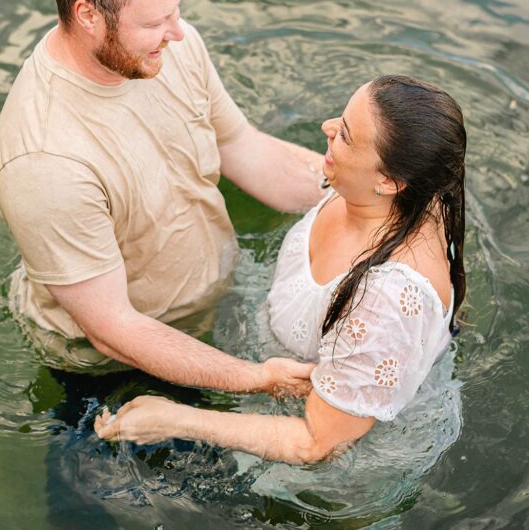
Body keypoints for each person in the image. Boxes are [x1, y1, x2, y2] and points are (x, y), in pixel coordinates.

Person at [0, 0, 326, 396]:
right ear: (88, 16)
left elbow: (244, 148)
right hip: (108, 369)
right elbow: (112, 330)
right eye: (153, 21)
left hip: (212, 301)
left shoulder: (167, 50)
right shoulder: (45, 159)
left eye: (175, 11)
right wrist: (253, 378)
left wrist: (371, 198)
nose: (177, 33)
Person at [95, 75, 467, 464]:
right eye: (341, 118)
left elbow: (318, 444)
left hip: (326, 471)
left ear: (389, 181)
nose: (327, 128)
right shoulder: (405, 195)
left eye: (345, 135)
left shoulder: (385, 301)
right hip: (274, 379)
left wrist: (178, 420)